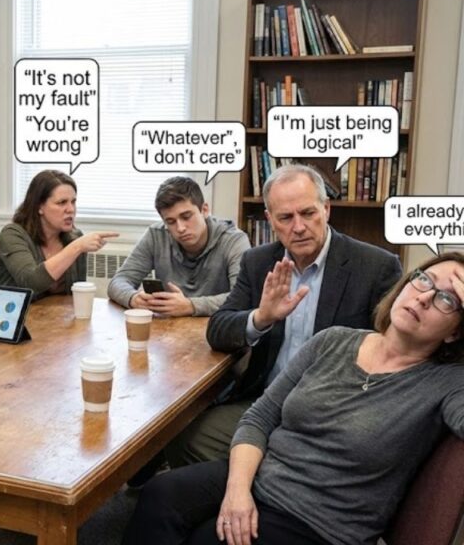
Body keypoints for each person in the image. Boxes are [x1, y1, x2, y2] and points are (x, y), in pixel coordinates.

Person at [125, 253, 464, 545]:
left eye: (447, 299)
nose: (424, 298)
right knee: (160, 494)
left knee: (205, 539)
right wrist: (238, 491)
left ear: (455, 332)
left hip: (319, 522)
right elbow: (259, 418)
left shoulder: (448, 384)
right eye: (424, 280)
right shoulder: (333, 340)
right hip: (263, 477)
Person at [169, 164, 402, 467]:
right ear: (270, 220)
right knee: (183, 439)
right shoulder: (258, 262)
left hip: (333, 414)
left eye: (308, 213)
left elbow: (395, 355)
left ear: (326, 209)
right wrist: (261, 318)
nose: (299, 227)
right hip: (265, 404)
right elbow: (218, 330)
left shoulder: (375, 267)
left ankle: (264, 474)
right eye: (286, 218)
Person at [108, 176, 250, 317]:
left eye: (186, 217)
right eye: (170, 222)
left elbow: (244, 297)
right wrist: (133, 298)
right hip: (169, 327)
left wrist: (191, 306)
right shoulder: (156, 235)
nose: (180, 228)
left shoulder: (234, 240)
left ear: (204, 210)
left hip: (218, 326)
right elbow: (118, 282)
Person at [0, 169, 117, 299]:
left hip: (58, 312)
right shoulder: (12, 234)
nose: (71, 209)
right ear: (39, 207)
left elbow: (76, 294)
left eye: (73, 202)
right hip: (13, 311)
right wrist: (77, 247)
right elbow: (31, 283)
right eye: (62, 202)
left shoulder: (75, 237)